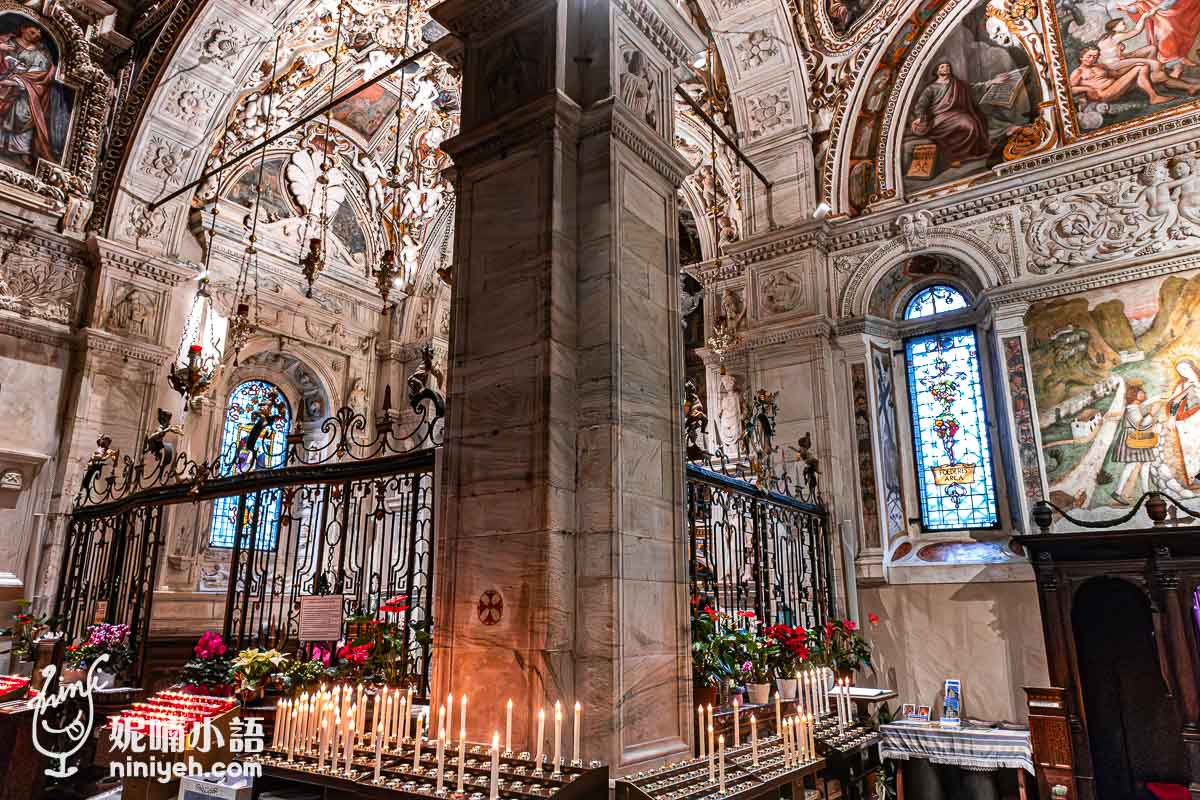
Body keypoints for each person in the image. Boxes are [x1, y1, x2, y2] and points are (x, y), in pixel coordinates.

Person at [909, 62, 1012, 168]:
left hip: (958, 113)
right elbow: (921, 105)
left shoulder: (958, 84)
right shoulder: (931, 88)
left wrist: (993, 82)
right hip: (940, 116)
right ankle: (955, 157)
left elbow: (973, 88)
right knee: (968, 124)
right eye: (942, 66)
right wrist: (920, 117)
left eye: (948, 66)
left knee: (972, 123)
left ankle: (965, 156)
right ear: (937, 71)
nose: (946, 68)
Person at [0, 22, 56, 168]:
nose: (36, 34)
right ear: (23, 29)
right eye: (32, 31)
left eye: (38, 34)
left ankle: (21, 151)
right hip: (3, 84)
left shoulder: (40, 54)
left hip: (25, 90)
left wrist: (19, 80)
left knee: (25, 112)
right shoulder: (6, 42)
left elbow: (41, 75)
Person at [1110, 380, 1160, 505]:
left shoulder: (1135, 408)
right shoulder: (1132, 409)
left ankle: (1146, 492)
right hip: (1134, 438)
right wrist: (1152, 413)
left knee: (1146, 463)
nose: (1144, 394)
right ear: (1134, 395)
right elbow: (1141, 425)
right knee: (1132, 464)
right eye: (1140, 392)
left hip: (1138, 438)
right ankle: (1118, 492)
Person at [1070, 47, 1174, 104]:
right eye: (1089, 56)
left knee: (1156, 74)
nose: (1092, 59)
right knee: (1141, 68)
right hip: (1104, 94)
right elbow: (1071, 89)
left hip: (1117, 86)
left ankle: (1186, 86)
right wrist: (1087, 89)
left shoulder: (1100, 66)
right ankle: (1153, 97)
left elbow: (1117, 74)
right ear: (1081, 57)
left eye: (1095, 56)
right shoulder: (1078, 71)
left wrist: (1133, 65)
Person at [1165, 360, 1200, 485]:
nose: (1183, 372)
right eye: (1180, 371)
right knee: (1193, 449)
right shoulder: (1182, 385)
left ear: (1192, 367)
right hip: (1189, 421)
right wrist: (1172, 418)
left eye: (1185, 369)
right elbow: (1174, 402)